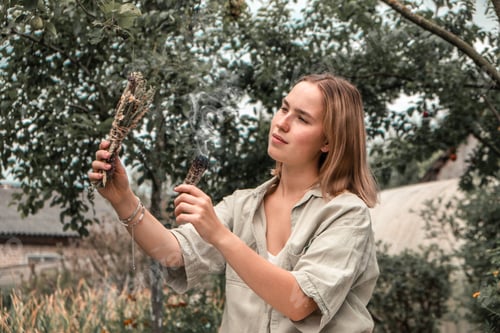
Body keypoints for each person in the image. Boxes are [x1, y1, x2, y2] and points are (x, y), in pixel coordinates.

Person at [89, 73, 379, 332]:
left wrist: (220, 235)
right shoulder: (244, 205)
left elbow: (300, 302)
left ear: (328, 141)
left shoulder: (346, 214)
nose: (282, 123)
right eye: (283, 108)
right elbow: (173, 253)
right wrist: (123, 199)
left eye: (302, 118)